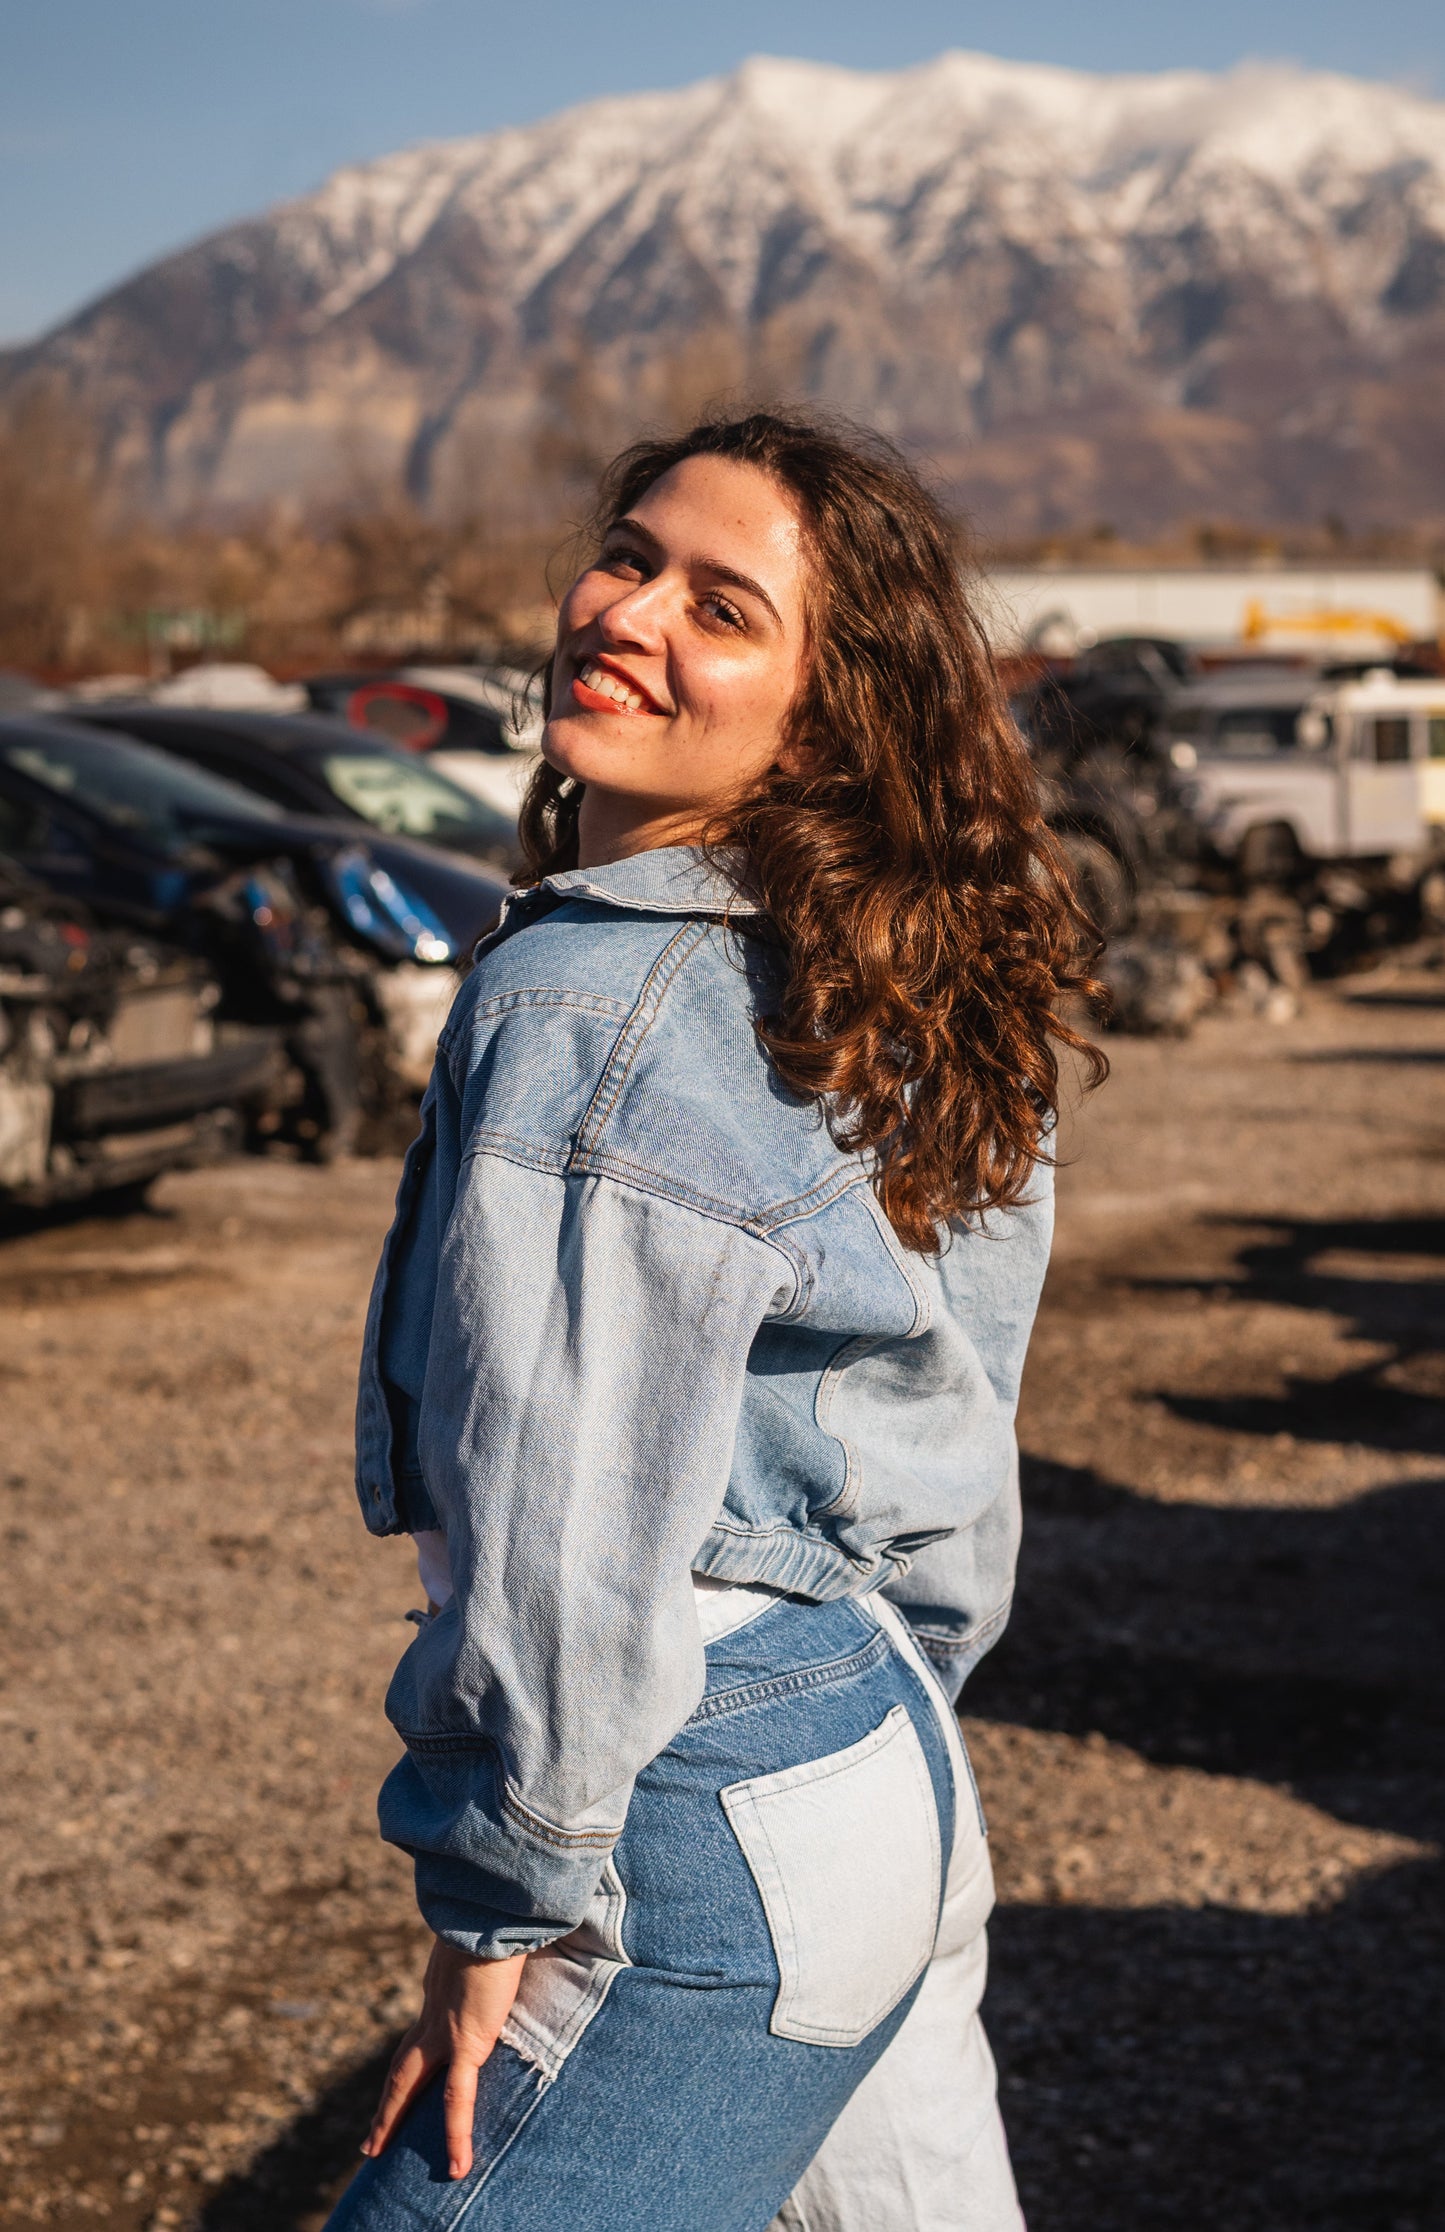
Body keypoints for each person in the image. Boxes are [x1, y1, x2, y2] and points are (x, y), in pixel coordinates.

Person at [329, 411, 1103, 2232]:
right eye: (628, 553)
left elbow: (566, 1523)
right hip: (881, 1756)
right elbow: (954, 1418)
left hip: (696, 1800)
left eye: (722, 606)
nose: (629, 611)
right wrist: (891, 1692)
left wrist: (495, 1900)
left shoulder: (583, 999)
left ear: (821, 716)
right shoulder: (871, 963)